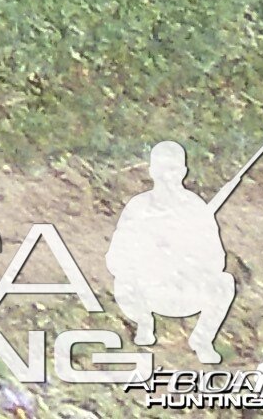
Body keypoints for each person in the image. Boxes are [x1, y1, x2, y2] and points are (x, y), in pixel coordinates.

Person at [110, 142, 239, 362]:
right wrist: (150, 258)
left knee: (224, 283)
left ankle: (202, 339)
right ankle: (144, 323)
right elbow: (116, 257)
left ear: (183, 172)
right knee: (123, 282)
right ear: (152, 171)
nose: (167, 175)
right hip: (148, 291)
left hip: (185, 290)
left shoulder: (196, 208)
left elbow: (216, 259)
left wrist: (189, 259)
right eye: (162, 169)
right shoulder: (138, 207)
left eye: (173, 169)